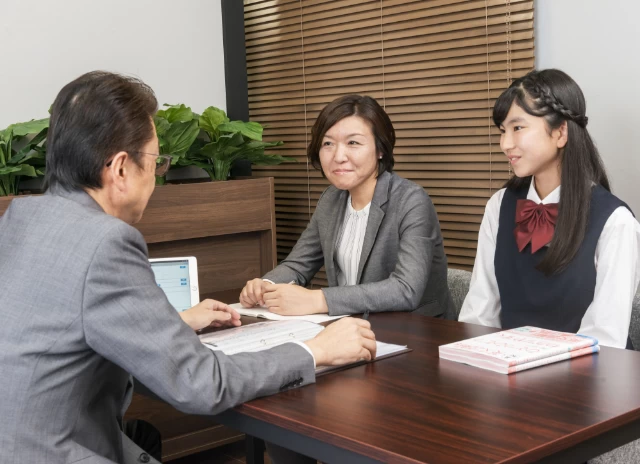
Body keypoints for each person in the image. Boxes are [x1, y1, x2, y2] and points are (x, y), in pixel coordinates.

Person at [0, 71, 377, 464]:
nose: (157, 177)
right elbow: (199, 383)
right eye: (156, 162)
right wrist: (314, 350)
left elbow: (62, 329)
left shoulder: (19, 217)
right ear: (121, 169)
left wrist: (173, 323)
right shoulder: (105, 241)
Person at [459, 69, 640, 349]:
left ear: (560, 132)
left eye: (518, 128)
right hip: (506, 374)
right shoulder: (499, 206)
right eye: (503, 131)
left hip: (587, 383)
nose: (505, 144)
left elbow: (605, 340)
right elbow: (480, 312)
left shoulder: (615, 221)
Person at [240, 95, 454, 319]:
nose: (338, 156)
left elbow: (405, 289)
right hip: (351, 329)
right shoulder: (331, 199)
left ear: (380, 150)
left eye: (353, 143)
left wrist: (318, 299)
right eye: (328, 144)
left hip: (416, 333)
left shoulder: (411, 200)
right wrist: (265, 285)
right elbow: (298, 264)